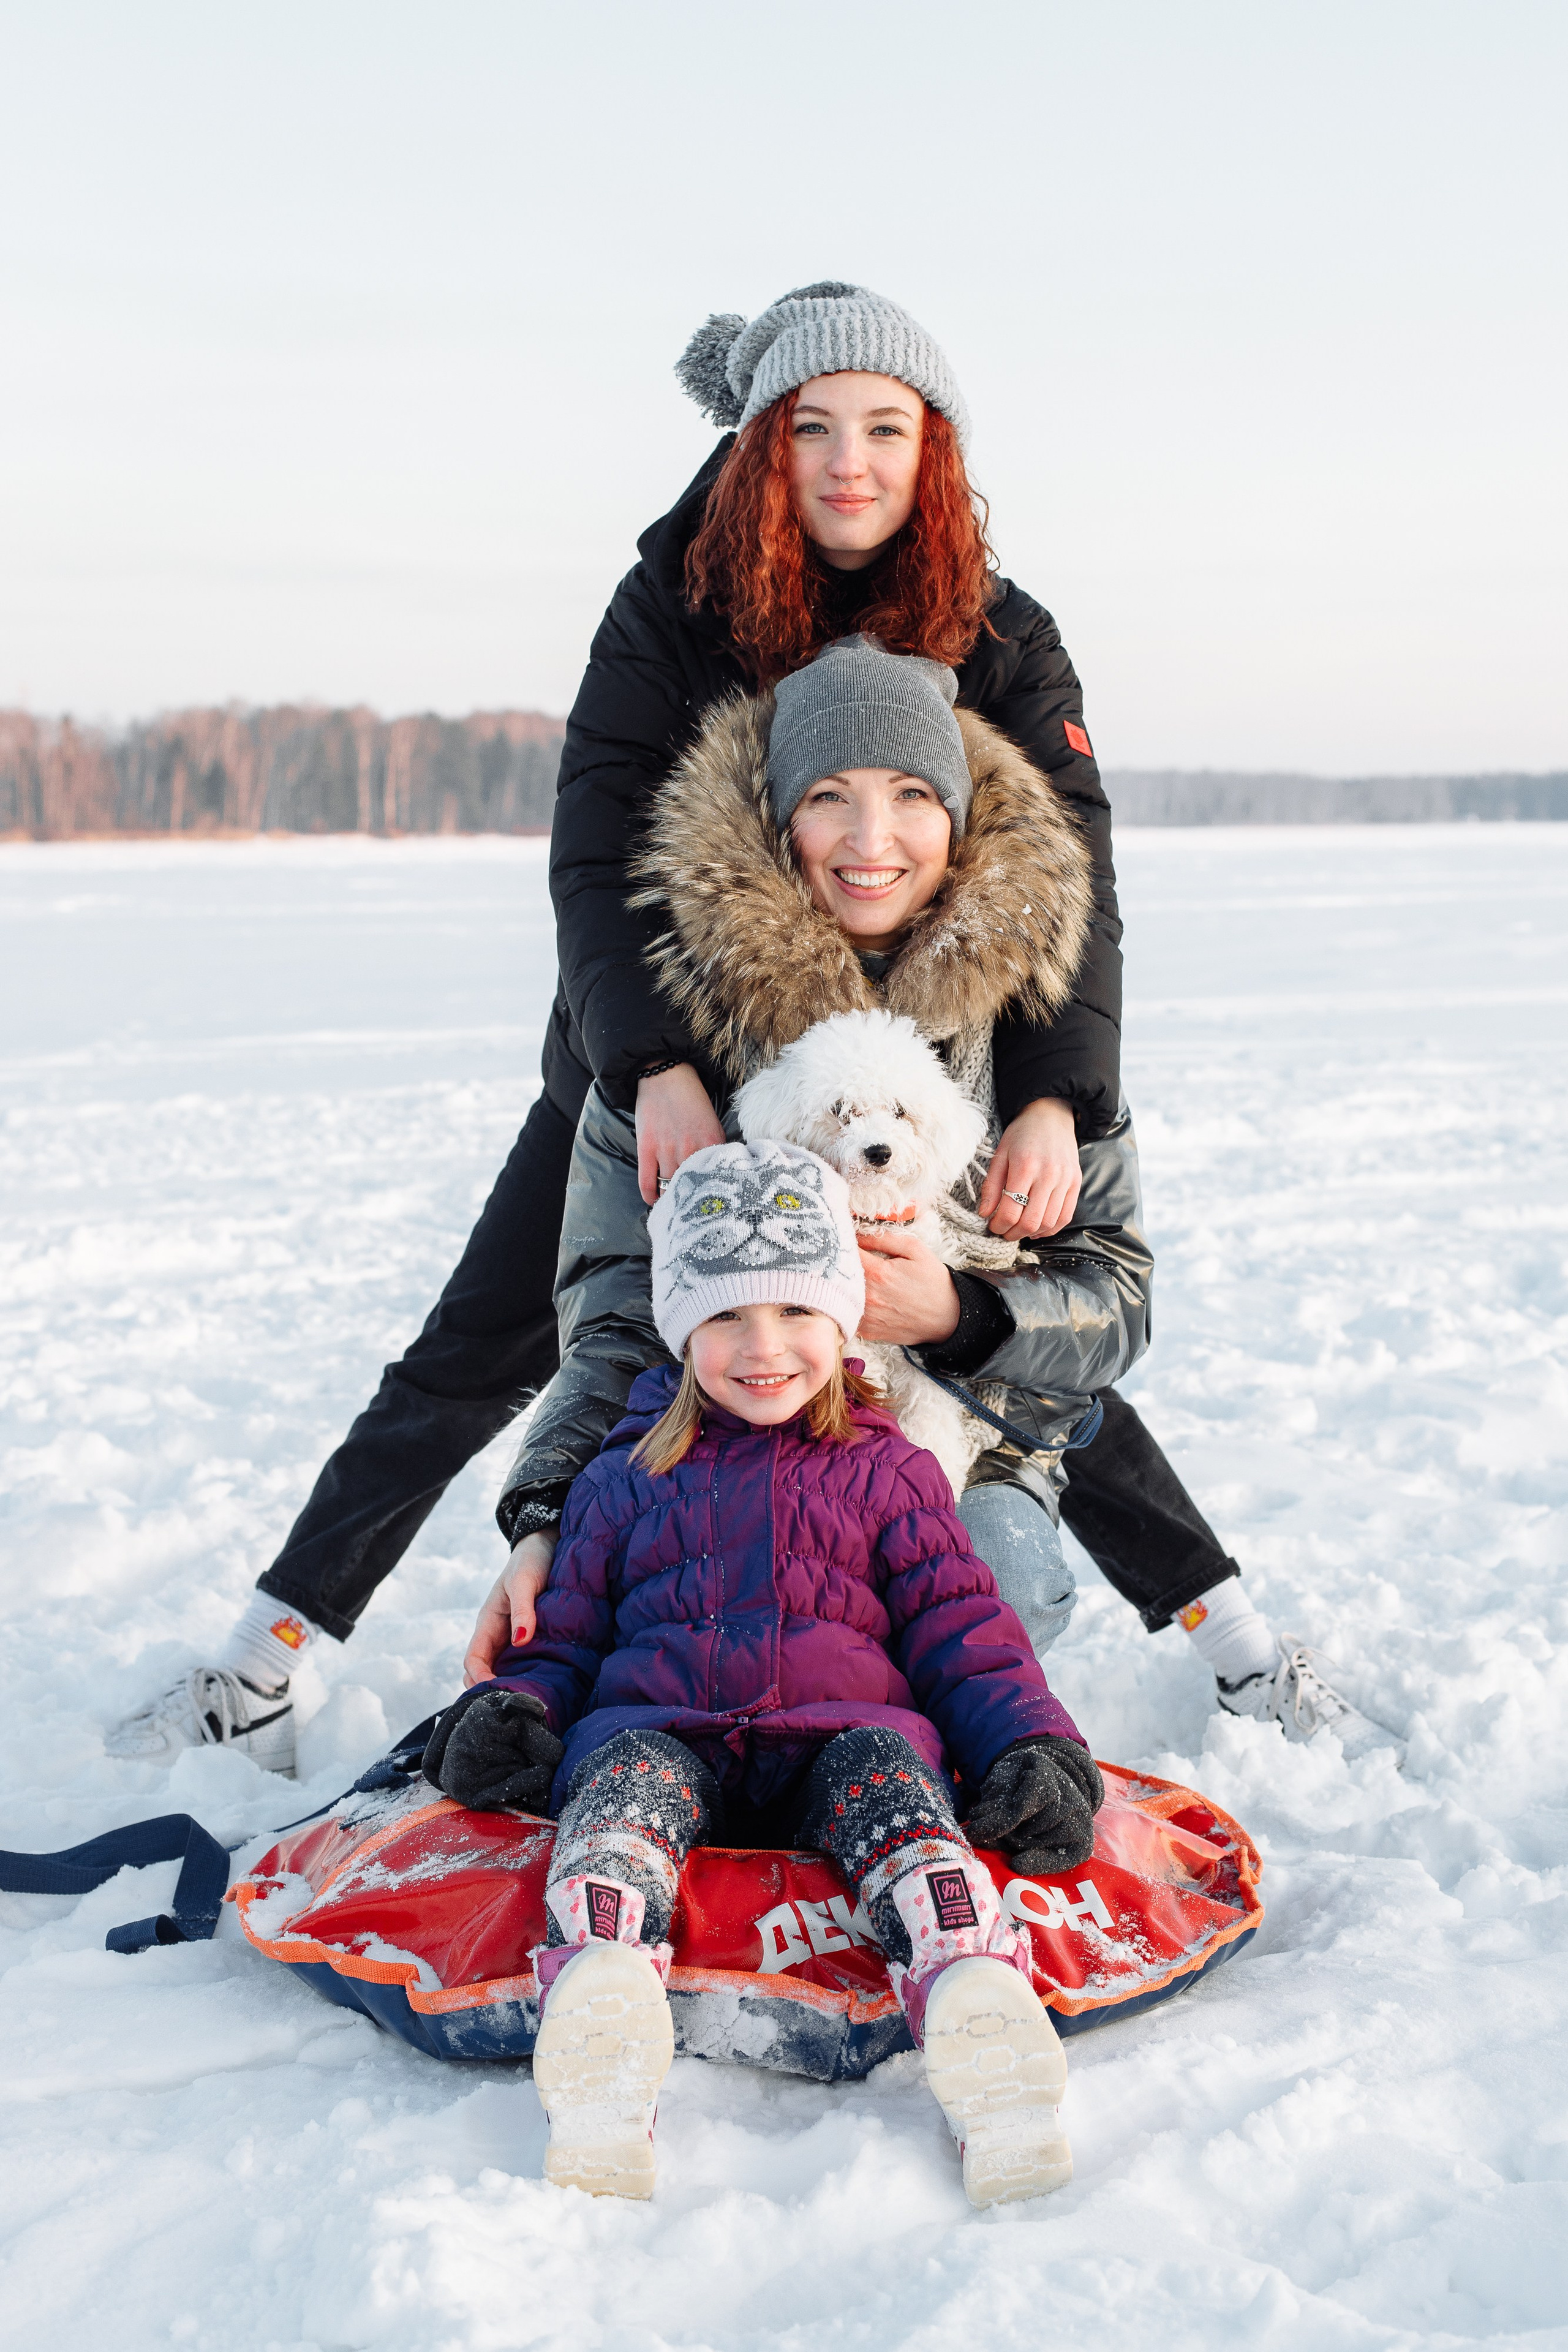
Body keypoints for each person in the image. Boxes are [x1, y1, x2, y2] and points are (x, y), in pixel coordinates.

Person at [105, 281, 1378, 1771]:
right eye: (813, 428)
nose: (849, 463)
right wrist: (649, 1069)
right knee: (486, 1345)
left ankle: (1232, 1650)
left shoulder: (1002, 629)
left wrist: (1056, 1096)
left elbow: (1066, 880)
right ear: (761, 445)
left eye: (885, 429)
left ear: (934, 451)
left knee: (983, 1340)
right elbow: (597, 859)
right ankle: (271, 1660)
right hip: (669, 1071)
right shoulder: (673, 608)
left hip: (913, 1072)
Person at [421, 1139, 1102, 2207]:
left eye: (795, 1313)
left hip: (841, 1732)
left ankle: (968, 1978)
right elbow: (567, 1636)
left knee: (888, 1773)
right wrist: (514, 1706)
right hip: (667, 1728)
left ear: (845, 1319)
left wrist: (1027, 1743)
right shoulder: (621, 1478)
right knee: (624, 1783)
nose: (764, 1347)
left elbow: (962, 1626)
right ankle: (604, 1989)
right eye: (727, 1317)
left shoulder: (892, 1471)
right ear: (683, 1328)